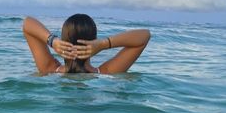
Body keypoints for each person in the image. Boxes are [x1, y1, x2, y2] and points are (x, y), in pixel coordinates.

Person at [23, 13, 151, 75]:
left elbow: (27, 23)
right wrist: (103, 44)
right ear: (94, 40)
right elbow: (144, 36)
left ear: (63, 40)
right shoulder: (107, 72)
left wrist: (52, 40)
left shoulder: (49, 69)